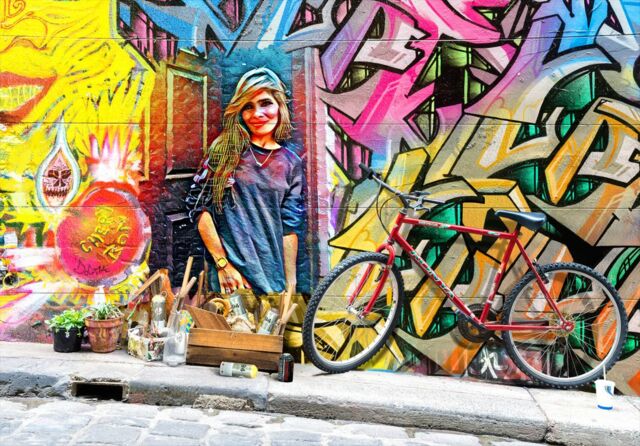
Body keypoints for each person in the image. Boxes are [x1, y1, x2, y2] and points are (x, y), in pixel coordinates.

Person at [189, 67, 307, 298]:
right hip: (232, 280)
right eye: (248, 107)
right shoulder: (225, 151)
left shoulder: (291, 163)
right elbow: (199, 208)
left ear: (279, 105)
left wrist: (290, 286)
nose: (257, 114)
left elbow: (289, 228)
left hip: (272, 282)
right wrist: (223, 265)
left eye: (265, 103)